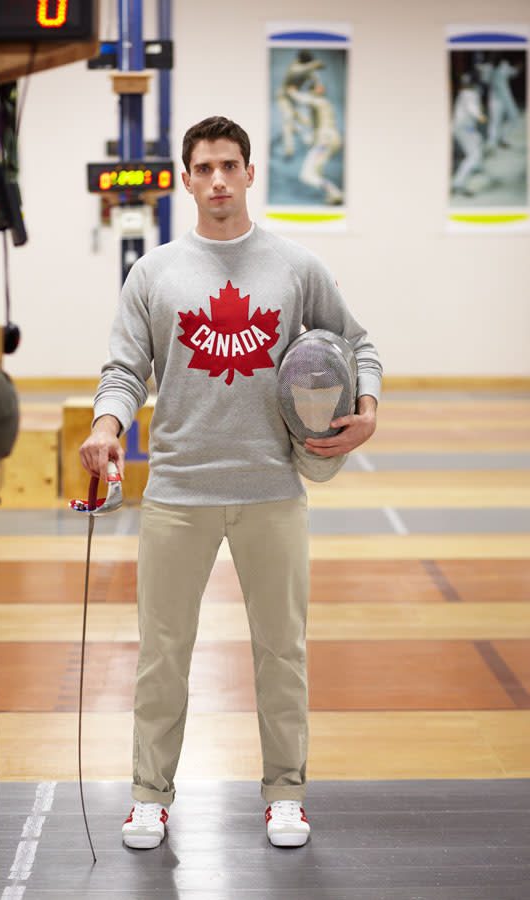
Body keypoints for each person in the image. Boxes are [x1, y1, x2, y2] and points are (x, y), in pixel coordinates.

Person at [79, 116, 382, 851]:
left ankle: (286, 793)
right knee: (161, 654)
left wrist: (366, 409)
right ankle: (149, 797)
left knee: (282, 650)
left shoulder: (295, 266)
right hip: (177, 495)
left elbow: (357, 342)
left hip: (273, 488)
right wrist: (106, 427)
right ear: (186, 179)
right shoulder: (153, 273)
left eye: (230, 165)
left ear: (250, 174)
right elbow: (124, 371)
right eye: (204, 167)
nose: (217, 179)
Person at [286, 82, 343, 204]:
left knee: (307, 175)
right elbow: (310, 123)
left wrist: (292, 92)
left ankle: (336, 193)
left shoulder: (321, 102)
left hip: (325, 141)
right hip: (326, 140)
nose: (321, 87)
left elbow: (305, 100)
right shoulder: (319, 108)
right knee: (316, 172)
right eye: (317, 86)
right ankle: (332, 195)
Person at [275, 50, 325, 158]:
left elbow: (316, 80)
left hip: (294, 98)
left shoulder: (308, 69)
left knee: (305, 121)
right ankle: (289, 151)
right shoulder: (295, 66)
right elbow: (299, 71)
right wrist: (314, 65)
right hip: (284, 97)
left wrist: (318, 85)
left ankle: (303, 135)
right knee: (288, 118)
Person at [451, 72, 487, 197]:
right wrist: (480, 116)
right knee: (473, 155)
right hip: (464, 128)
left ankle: (475, 166)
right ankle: (458, 183)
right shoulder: (469, 94)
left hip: (467, 128)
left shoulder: (465, 93)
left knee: (478, 139)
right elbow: (472, 109)